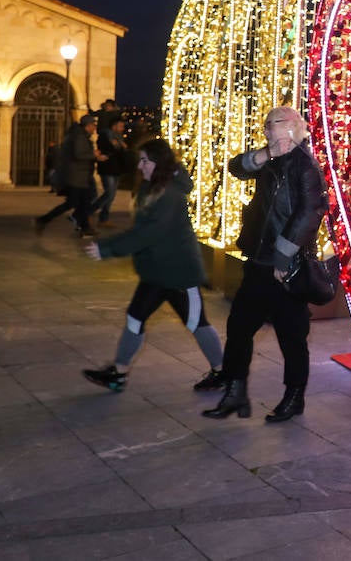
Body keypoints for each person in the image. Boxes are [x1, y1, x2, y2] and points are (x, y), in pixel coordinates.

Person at [203, 106, 325, 424]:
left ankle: (294, 396)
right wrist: (261, 155)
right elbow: (235, 168)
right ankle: (235, 391)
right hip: (258, 262)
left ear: (294, 127)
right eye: (266, 124)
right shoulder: (269, 162)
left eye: (273, 124)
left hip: (287, 265)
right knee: (239, 327)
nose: (267, 129)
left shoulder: (305, 165)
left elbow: (309, 213)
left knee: (292, 335)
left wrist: (284, 256)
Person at [80, 139, 224, 392]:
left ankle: (223, 372)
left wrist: (107, 248)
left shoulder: (169, 194)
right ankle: (118, 374)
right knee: (135, 317)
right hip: (156, 272)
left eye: (145, 160)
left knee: (197, 323)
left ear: (159, 163)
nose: (140, 165)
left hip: (179, 275)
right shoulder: (152, 186)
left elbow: (148, 233)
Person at [35, 114, 104, 238]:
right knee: (74, 202)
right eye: (93, 125)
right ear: (87, 126)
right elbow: (79, 155)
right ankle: (43, 220)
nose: (95, 128)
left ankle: (85, 228)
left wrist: (94, 156)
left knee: (83, 202)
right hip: (76, 176)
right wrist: (93, 155)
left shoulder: (80, 136)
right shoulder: (79, 137)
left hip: (79, 175)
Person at [93, 117, 129, 226]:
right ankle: (89, 211)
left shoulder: (118, 137)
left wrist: (120, 146)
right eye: (121, 126)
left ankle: (103, 218)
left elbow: (123, 150)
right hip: (107, 168)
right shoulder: (105, 135)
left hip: (116, 169)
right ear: (114, 126)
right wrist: (117, 146)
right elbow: (109, 148)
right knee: (109, 193)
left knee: (111, 195)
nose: (122, 129)